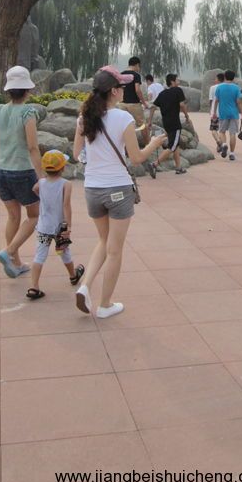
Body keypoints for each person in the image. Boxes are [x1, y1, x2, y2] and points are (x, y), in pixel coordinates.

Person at [73, 66, 166, 319]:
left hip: (92, 189)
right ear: (113, 91)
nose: (124, 90)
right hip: (117, 189)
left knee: (104, 241)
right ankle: (104, 305)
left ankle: (84, 286)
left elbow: (76, 153)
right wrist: (154, 144)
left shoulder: (84, 118)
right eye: (122, 87)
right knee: (115, 250)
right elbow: (136, 158)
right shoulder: (123, 118)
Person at [0, 66, 43, 278]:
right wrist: (42, 177)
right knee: (34, 216)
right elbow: (32, 147)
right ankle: (9, 251)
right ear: (27, 90)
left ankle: (16, 263)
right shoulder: (28, 112)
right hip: (22, 172)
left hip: (0, 171)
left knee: (13, 217)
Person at [24, 150, 85, 300]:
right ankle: (73, 276)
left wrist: (43, 197)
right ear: (63, 167)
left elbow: (34, 189)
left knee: (40, 255)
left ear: (45, 168)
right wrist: (68, 225)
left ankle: (34, 287)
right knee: (64, 252)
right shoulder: (66, 184)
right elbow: (66, 205)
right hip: (60, 228)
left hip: (43, 228)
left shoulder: (41, 183)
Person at [149, 73, 191, 175]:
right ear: (172, 82)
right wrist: (187, 116)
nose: (179, 82)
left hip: (166, 123)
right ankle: (154, 164)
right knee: (172, 146)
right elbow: (182, 105)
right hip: (175, 123)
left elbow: (153, 106)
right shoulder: (178, 90)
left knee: (175, 145)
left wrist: (149, 121)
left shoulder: (162, 93)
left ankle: (178, 167)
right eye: (177, 80)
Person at [212, 70, 242, 161]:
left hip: (223, 113)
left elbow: (216, 101)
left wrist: (214, 112)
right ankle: (232, 153)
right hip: (234, 114)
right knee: (232, 133)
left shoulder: (219, 87)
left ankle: (224, 144)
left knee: (222, 132)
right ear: (233, 78)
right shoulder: (236, 88)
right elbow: (239, 102)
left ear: (225, 77)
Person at [119, 56, 147, 128]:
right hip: (134, 103)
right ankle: (146, 136)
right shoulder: (136, 75)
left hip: (122, 104)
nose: (139, 68)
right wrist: (144, 102)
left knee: (124, 125)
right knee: (142, 125)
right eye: (139, 66)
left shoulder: (121, 74)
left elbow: (119, 88)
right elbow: (137, 90)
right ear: (137, 65)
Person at [208, 72, 225, 153]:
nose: (215, 80)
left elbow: (211, 100)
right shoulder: (225, 87)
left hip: (215, 112)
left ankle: (218, 142)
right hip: (224, 112)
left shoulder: (213, 88)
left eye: (215, 78)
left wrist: (211, 110)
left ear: (218, 79)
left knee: (213, 129)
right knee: (222, 131)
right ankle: (220, 146)